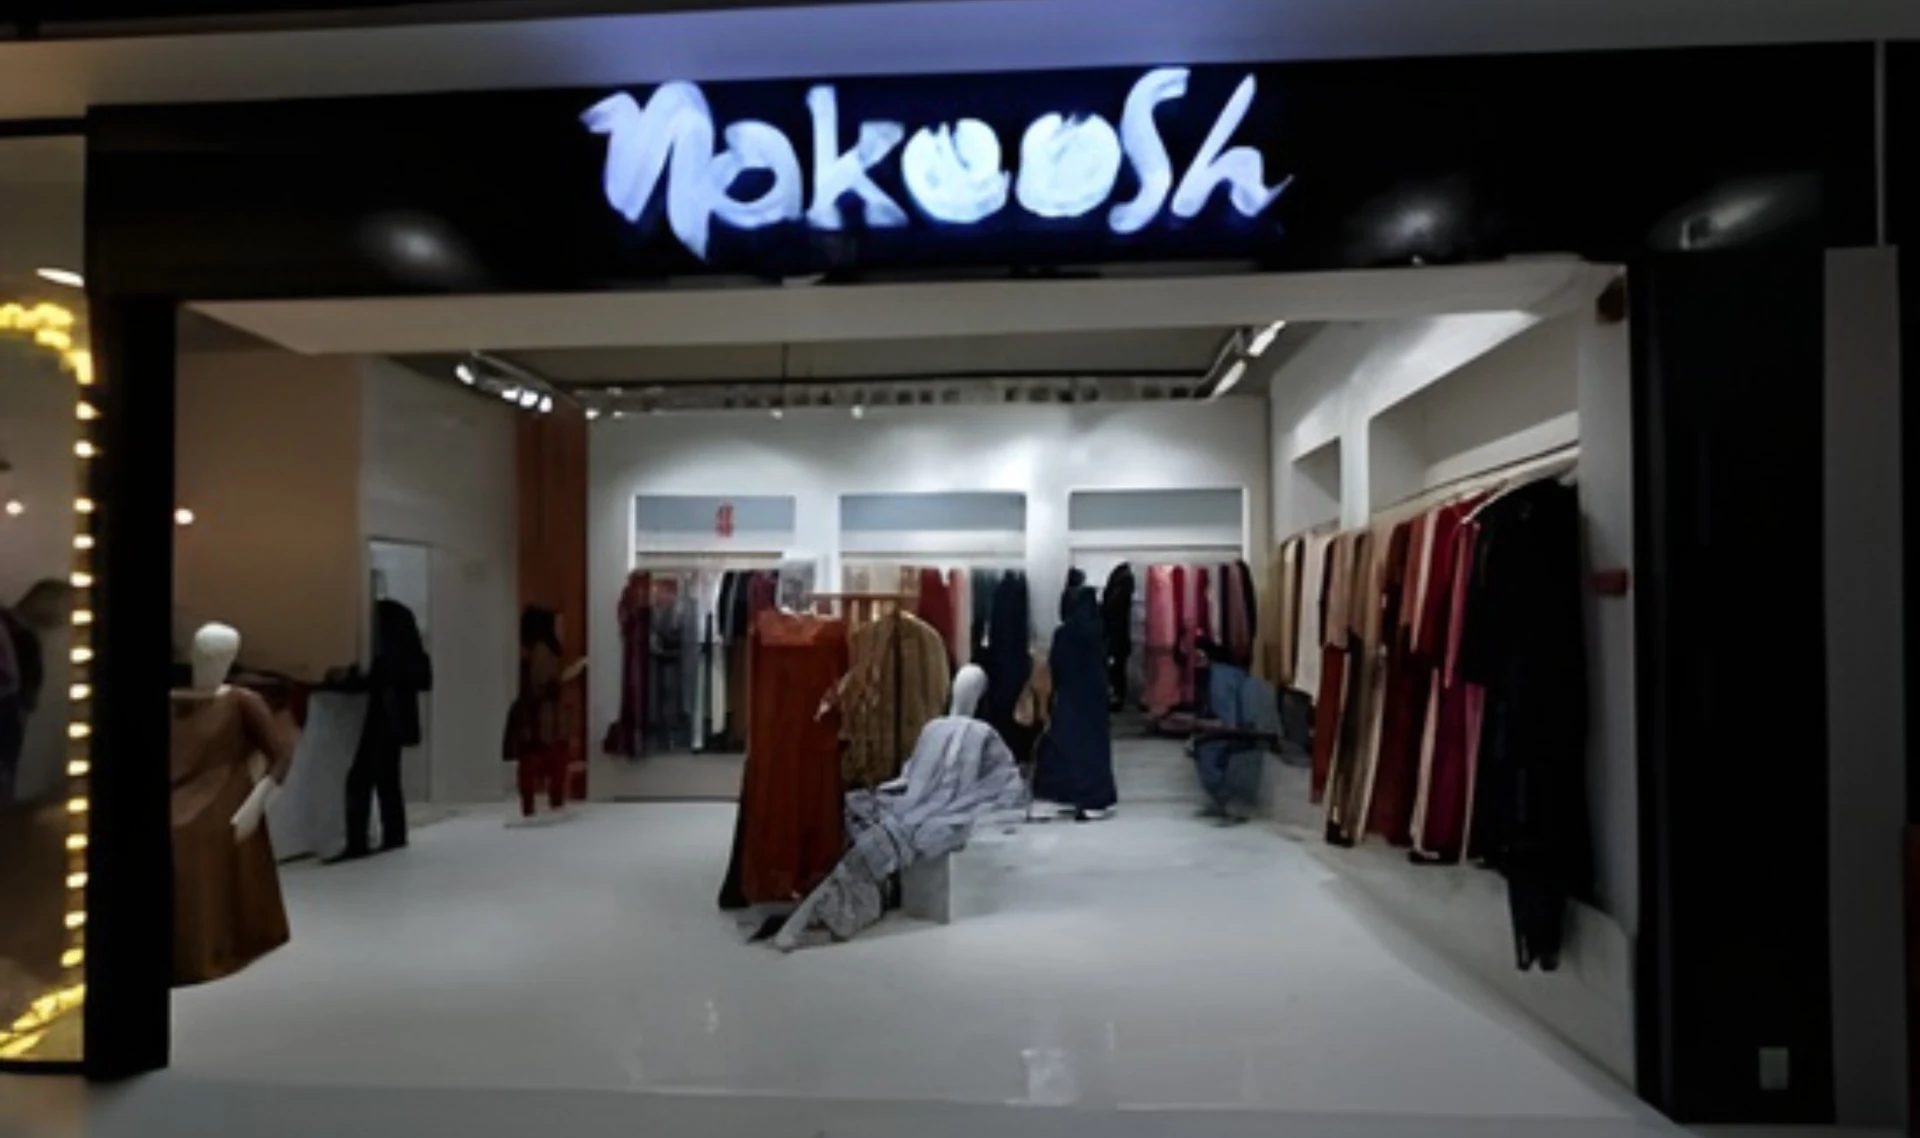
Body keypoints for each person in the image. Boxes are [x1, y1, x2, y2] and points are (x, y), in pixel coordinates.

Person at [509, 606, 586, 824]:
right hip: (544, 720)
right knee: (550, 761)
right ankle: (547, 806)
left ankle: (535, 807)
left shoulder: (534, 651)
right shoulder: (543, 651)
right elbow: (542, 685)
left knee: (537, 763)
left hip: (540, 719)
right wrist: (565, 677)